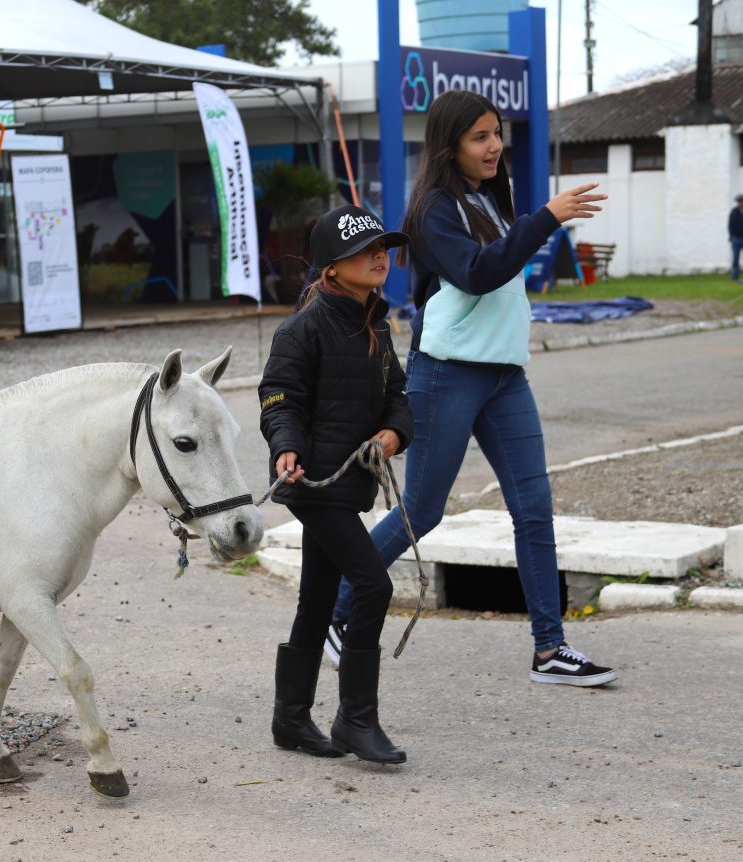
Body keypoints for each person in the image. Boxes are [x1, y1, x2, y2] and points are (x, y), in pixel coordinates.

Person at [325, 89, 617, 687]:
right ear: (450, 144)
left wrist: (532, 219)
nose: (493, 146)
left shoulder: (489, 197)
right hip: (447, 373)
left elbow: (502, 267)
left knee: (534, 512)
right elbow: (479, 274)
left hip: (506, 375)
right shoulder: (433, 209)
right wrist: (547, 217)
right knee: (422, 512)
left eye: (497, 133)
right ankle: (335, 613)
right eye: (479, 136)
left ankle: (549, 649)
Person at [259, 204, 414, 764]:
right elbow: (279, 398)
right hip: (313, 484)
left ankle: (291, 719)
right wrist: (286, 447)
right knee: (374, 587)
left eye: (383, 247)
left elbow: (398, 393)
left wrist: (395, 433)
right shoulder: (301, 328)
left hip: (351, 484)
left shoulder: (376, 321)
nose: (380, 257)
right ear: (330, 269)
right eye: (363, 251)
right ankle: (355, 720)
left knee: (318, 599)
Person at [729, 193, 743, 282]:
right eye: (738, 202)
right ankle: (735, 277)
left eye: (741, 201)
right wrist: (732, 236)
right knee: (735, 258)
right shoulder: (734, 211)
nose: (740, 203)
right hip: (736, 239)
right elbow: (730, 225)